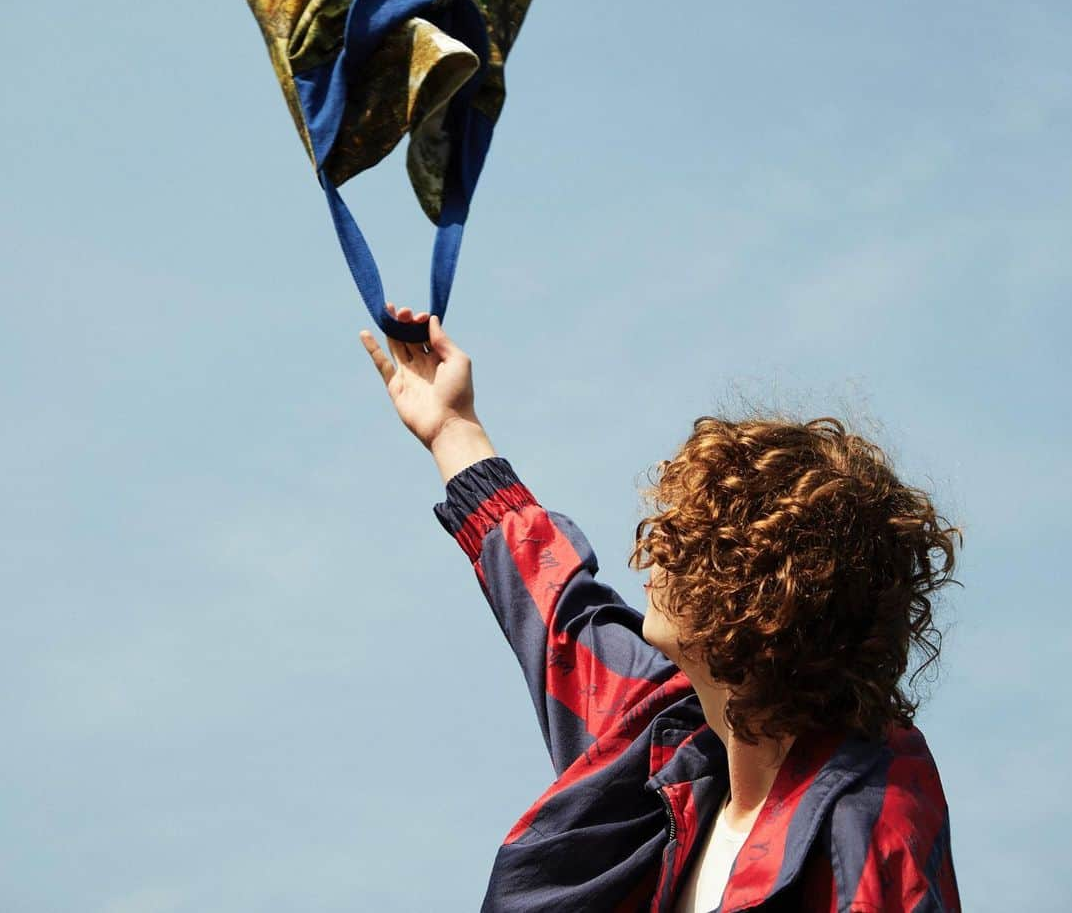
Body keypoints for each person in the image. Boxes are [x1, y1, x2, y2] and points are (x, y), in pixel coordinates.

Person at [359, 305, 962, 912]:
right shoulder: (662, 739)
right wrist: (453, 429)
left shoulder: (869, 822)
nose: (653, 549)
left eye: (691, 541)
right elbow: (558, 608)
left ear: (759, 602)